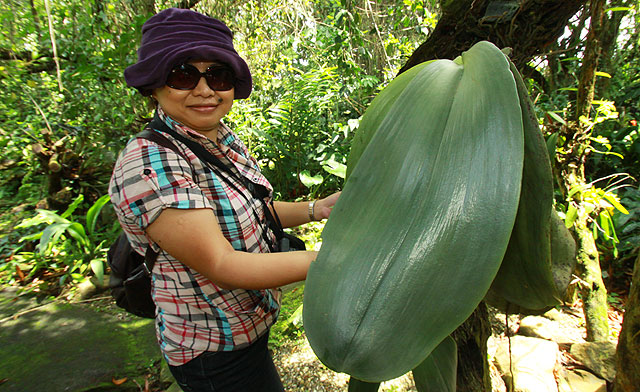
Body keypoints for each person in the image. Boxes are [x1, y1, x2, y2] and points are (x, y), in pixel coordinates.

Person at [109, 8, 340, 391]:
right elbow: (223, 263)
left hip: (248, 327)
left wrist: (317, 209)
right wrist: (337, 263)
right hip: (213, 350)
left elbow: (252, 211)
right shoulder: (151, 163)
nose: (204, 90)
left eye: (217, 75)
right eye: (182, 75)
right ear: (154, 84)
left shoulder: (217, 138)